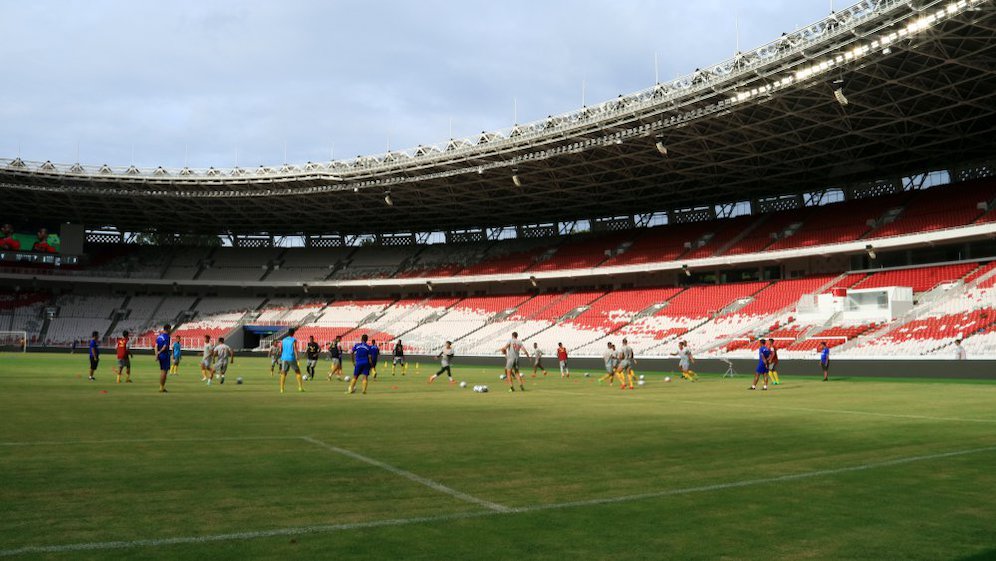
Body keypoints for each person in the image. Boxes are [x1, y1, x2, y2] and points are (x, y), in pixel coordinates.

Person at [277, 328, 304, 393]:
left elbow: (281, 349)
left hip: (284, 358)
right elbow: (295, 348)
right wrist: (297, 356)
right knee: (298, 372)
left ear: (288, 333)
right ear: (293, 333)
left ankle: (281, 389)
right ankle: (300, 388)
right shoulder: (293, 340)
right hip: (291, 358)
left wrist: (281, 355)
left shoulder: (283, 340)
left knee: (283, 373)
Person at [155, 324, 172, 393]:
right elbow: (165, 346)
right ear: (168, 329)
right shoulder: (167, 337)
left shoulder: (159, 337)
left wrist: (157, 354)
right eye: (170, 329)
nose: (170, 330)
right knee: (164, 372)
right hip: (165, 355)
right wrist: (160, 352)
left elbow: (156, 346)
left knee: (162, 371)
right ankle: (161, 388)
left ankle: (162, 387)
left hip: (160, 356)